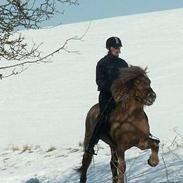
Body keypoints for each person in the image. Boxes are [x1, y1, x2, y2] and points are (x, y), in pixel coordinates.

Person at [85, 37, 129, 155]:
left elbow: (128, 79)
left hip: (122, 96)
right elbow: (99, 81)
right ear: (109, 48)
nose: (118, 50)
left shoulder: (123, 63)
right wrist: (112, 89)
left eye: (119, 47)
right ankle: (91, 144)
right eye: (115, 48)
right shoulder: (102, 63)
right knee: (103, 117)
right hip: (107, 96)